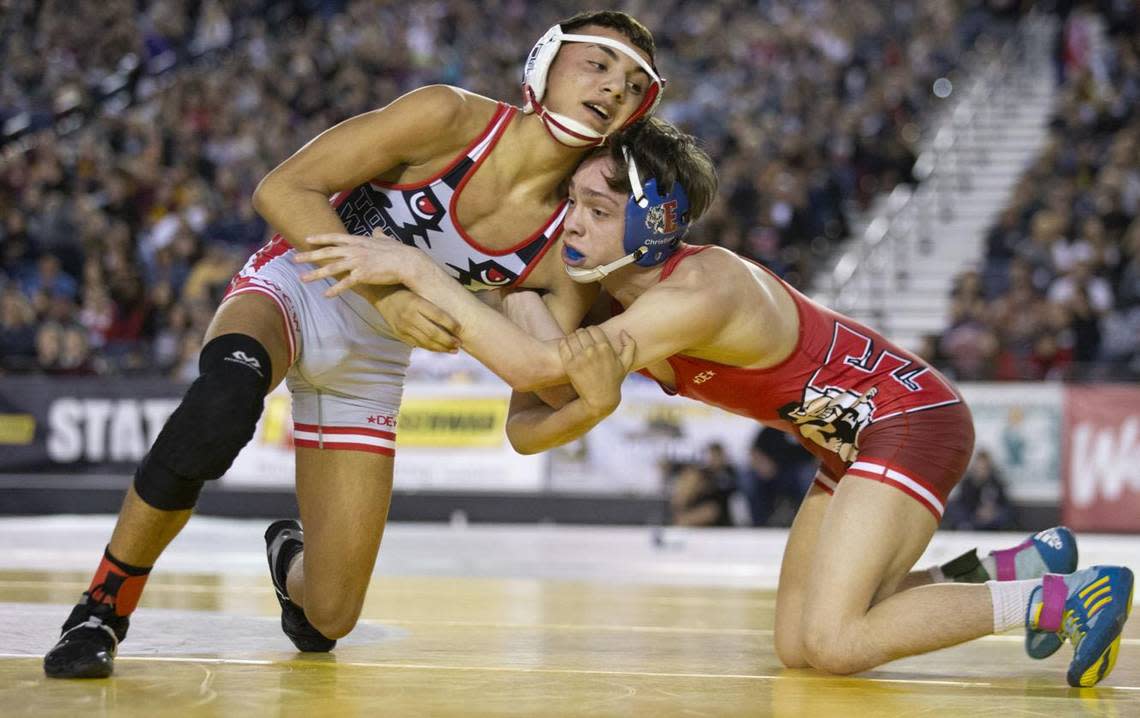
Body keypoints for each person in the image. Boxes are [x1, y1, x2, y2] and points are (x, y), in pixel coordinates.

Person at [294, 118, 1133, 687]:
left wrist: (413, 268)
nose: (568, 224)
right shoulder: (595, 288)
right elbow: (527, 423)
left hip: (908, 421)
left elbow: (538, 361)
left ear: (655, 221)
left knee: (838, 641)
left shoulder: (700, 290)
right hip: (847, 441)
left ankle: (1063, 599)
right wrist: (584, 401)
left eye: (595, 208)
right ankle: (1007, 568)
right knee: (800, 645)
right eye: (570, 203)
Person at [44, 10, 665, 679]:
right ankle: (102, 606)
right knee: (221, 403)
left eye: (632, 86)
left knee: (330, 618)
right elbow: (281, 188)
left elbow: (539, 401)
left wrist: (587, 393)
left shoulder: (566, 239)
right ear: (546, 61)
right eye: (599, 65)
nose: (613, 90)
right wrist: (391, 298)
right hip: (303, 282)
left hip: (372, 359)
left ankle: (289, 557)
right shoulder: (448, 118)